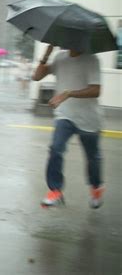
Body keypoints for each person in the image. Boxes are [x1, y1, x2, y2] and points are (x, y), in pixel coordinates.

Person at [32, 44, 104, 209]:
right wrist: (47, 53)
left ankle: (96, 187)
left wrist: (69, 93)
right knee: (56, 149)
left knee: (93, 158)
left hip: (89, 119)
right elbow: (36, 77)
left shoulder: (92, 59)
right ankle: (55, 190)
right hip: (65, 115)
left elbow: (96, 90)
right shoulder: (60, 57)